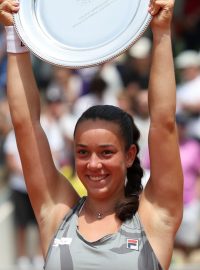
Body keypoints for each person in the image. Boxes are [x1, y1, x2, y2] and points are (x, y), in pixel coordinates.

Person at [0, 0, 183, 269]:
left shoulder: (155, 217)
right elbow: (26, 124)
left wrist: (162, 32)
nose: (93, 164)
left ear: (130, 154)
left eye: (106, 152)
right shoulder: (56, 213)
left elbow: (164, 123)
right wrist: (15, 32)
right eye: (83, 152)